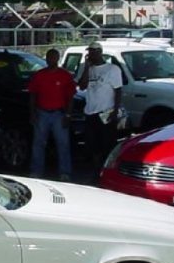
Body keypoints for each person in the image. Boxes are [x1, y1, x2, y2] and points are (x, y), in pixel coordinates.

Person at [28, 48, 76, 181]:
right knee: (38, 143)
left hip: (59, 114)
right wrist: (32, 113)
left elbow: (70, 97)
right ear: (47, 59)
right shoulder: (39, 75)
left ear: (58, 59)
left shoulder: (65, 75)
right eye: (49, 57)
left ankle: (65, 172)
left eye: (54, 57)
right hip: (42, 113)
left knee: (63, 144)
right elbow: (33, 95)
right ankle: (36, 171)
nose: (51, 60)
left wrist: (68, 115)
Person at [77, 41, 123, 178]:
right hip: (90, 111)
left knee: (107, 144)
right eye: (89, 51)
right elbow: (82, 86)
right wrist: (86, 67)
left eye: (93, 51)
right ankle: (95, 171)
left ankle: (108, 172)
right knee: (92, 144)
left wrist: (115, 110)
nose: (90, 54)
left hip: (106, 112)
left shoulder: (112, 69)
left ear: (100, 52)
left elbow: (118, 90)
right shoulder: (88, 69)